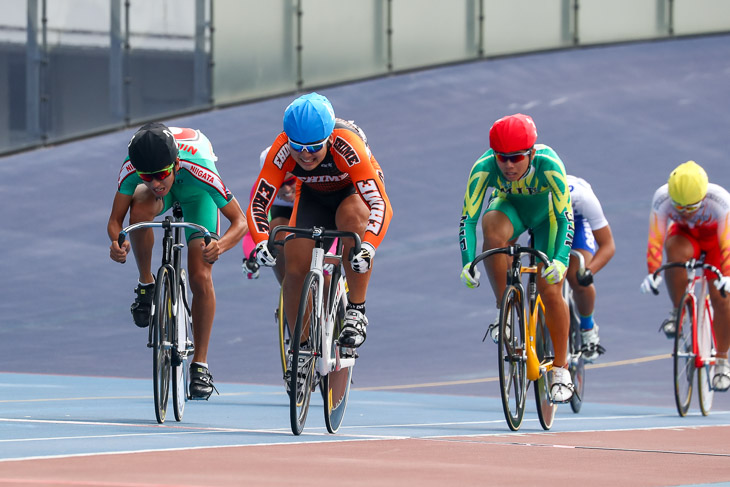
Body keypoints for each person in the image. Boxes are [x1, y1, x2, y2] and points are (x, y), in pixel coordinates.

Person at [246, 92, 392, 365]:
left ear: (328, 139)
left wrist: (369, 247)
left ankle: (356, 311)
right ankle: (301, 353)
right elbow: (257, 203)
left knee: (352, 217)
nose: (305, 154)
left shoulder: (348, 146)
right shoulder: (281, 151)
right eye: (297, 146)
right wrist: (261, 241)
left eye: (314, 147)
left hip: (351, 190)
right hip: (313, 195)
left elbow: (380, 205)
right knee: (294, 267)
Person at [107, 122, 247, 400]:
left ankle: (201, 364)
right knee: (140, 211)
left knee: (200, 276)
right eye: (147, 177)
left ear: (176, 163)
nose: (155, 183)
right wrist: (117, 242)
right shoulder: (132, 167)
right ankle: (146, 283)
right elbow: (115, 222)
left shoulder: (201, 168)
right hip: (164, 199)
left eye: (161, 175)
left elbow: (240, 221)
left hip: (198, 197)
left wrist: (221, 245)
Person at [459, 113, 575, 403]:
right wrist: (467, 261)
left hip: (547, 219)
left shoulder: (549, 165)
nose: (509, 165)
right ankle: (505, 309)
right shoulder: (483, 168)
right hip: (510, 210)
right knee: (491, 229)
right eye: (502, 158)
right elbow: (468, 220)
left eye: (516, 158)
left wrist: (560, 260)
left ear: (531, 153)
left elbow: (565, 218)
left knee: (551, 291)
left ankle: (561, 368)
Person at [640, 160, 730, 391]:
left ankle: (721, 360)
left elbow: (726, 244)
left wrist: (726, 275)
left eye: (691, 207)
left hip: (714, 244)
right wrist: (653, 272)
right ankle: (677, 311)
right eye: (679, 207)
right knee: (674, 254)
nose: (683, 212)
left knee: (722, 300)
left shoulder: (720, 200)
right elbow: (656, 238)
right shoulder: (662, 198)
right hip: (684, 238)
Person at [565, 174, 615, 362]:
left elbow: (608, 245)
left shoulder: (583, 198)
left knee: (577, 277)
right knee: (539, 275)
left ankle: (588, 328)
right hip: (547, 223)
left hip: (577, 224)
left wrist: (589, 271)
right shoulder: (537, 197)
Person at [241, 146, 296, 284]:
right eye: (279, 184)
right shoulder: (262, 188)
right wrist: (250, 258)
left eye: (290, 181)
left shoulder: (310, 181)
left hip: (312, 207)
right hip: (282, 212)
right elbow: (251, 231)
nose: (287, 189)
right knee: (275, 239)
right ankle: (286, 291)